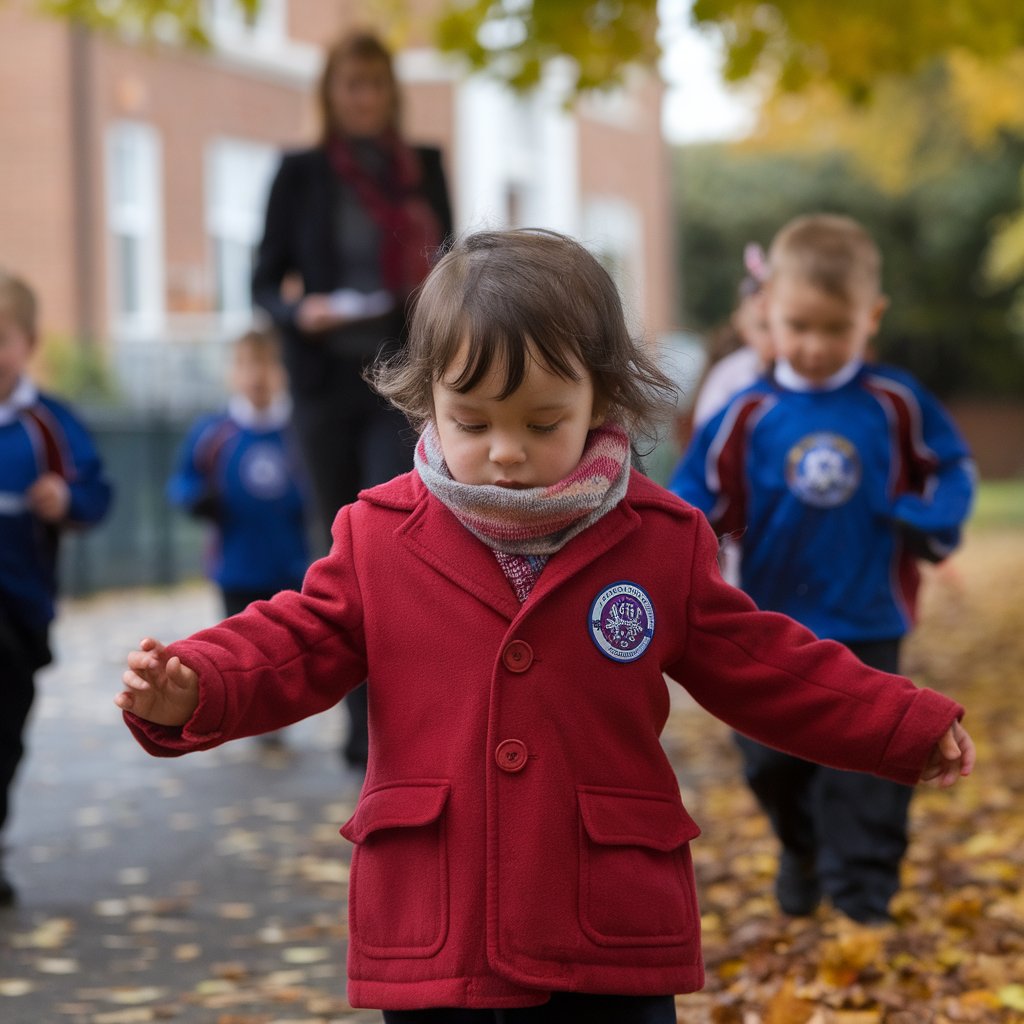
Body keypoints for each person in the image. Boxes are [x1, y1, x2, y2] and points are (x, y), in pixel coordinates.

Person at [117, 229, 973, 1021]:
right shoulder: (380, 534)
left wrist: (899, 724)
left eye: (542, 422)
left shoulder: (659, 538)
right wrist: (197, 683)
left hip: (606, 929)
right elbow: (292, 639)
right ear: (427, 405)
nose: (506, 452)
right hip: (437, 928)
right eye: (473, 422)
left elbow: (765, 663)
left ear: (602, 397)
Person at [669, 213, 976, 924]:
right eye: (796, 325)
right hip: (771, 624)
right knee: (771, 762)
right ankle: (799, 847)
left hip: (868, 615)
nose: (812, 345)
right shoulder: (747, 412)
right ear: (766, 307)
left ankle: (862, 901)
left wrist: (926, 521)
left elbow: (951, 468)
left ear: (871, 318)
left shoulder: (894, 403)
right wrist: (681, 560)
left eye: (834, 329)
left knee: (869, 761)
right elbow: (691, 499)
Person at [252, 28, 453, 768]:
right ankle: (356, 712)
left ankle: (397, 711)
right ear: (332, 94)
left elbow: (453, 270)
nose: (364, 98)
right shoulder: (299, 174)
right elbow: (264, 284)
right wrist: (296, 312)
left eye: (375, 83)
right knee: (337, 543)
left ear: (391, 91)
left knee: (399, 538)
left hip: (399, 375)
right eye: (351, 85)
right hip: (324, 379)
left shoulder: (421, 169)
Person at [0, 269, 112, 905]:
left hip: (21, 608)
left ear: (30, 342)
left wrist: (66, 497)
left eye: (2, 338)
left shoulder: (48, 424)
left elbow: (97, 492)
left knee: (4, 735)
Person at [166, 326, 310, 628]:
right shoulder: (214, 433)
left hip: (293, 571)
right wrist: (196, 498)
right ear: (232, 373)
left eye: (267, 363)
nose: (256, 375)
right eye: (246, 364)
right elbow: (182, 481)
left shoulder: (299, 433)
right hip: (236, 571)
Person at [689, 243, 773, 431]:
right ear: (741, 325)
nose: (773, 336)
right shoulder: (730, 375)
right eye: (763, 327)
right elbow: (706, 433)